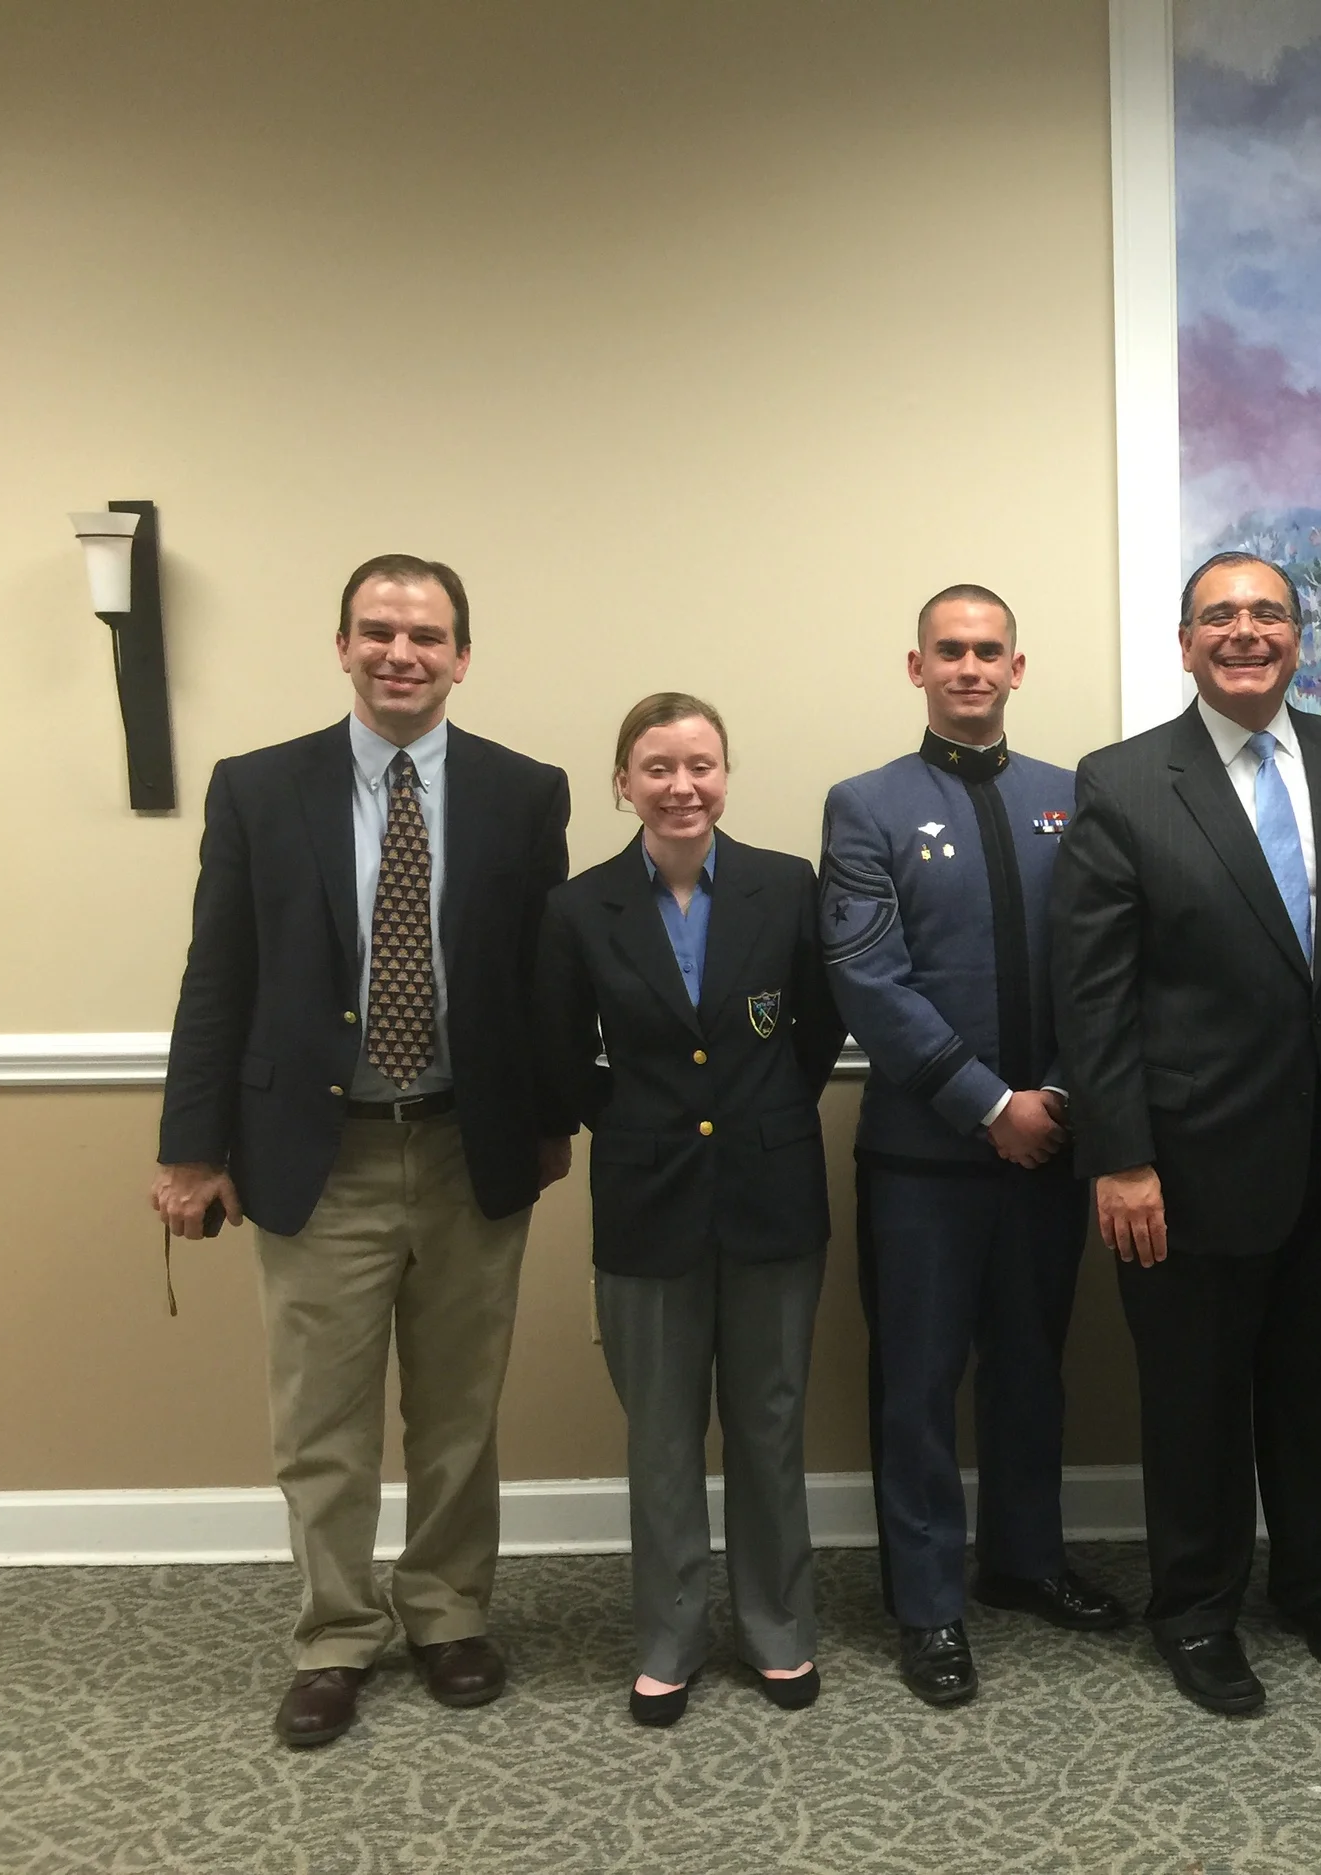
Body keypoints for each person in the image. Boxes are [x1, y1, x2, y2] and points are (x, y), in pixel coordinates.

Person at [153, 554, 571, 1749]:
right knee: (321, 1423)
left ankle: (447, 1616)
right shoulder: (257, 787)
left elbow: (537, 980)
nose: (403, 653)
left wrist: (548, 1120)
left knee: (457, 1416)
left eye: (426, 635)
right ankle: (335, 1636)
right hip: (312, 1155)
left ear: (462, 656)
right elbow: (216, 973)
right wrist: (191, 1150)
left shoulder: (521, 791)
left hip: (463, 1147)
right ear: (341, 644)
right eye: (379, 631)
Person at [1051, 552, 1321, 1716]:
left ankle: (1320, 1587)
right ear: (1185, 641)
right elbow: (1092, 993)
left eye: (1268, 615)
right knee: (1195, 1404)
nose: (1245, 633)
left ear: (1300, 637)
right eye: (1221, 617)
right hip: (1185, 1166)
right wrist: (1119, 1156)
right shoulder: (1123, 780)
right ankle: (1195, 1610)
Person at [821, 585, 1125, 1709]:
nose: (968, 668)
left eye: (987, 651)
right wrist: (988, 1103)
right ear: (916, 669)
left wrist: (1053, 1099)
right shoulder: (865, 806)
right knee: (917, 1381)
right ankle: (929, 1603)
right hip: (925, 1158)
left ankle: (1026, 1562)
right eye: (947, 652)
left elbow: (1105, 963)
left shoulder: (1072, 799)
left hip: (1051, 1143)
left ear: (1017, 667)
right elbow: (866, 977)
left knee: (1032, 1370)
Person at [534, 694, 840, 1727]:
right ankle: (668, 1638)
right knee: (662, 1435)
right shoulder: (579, 909)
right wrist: (635, 1119)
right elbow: (560, 1054)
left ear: (726, 774)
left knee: (768, 1423)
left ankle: (777, 1629)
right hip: (645, 1199)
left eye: (700, 765)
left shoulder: (785, 887)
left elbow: (814, 1033)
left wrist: (752, 1119)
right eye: (657, 767)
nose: (682, 787)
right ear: (622, 783)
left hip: (772, 1192)